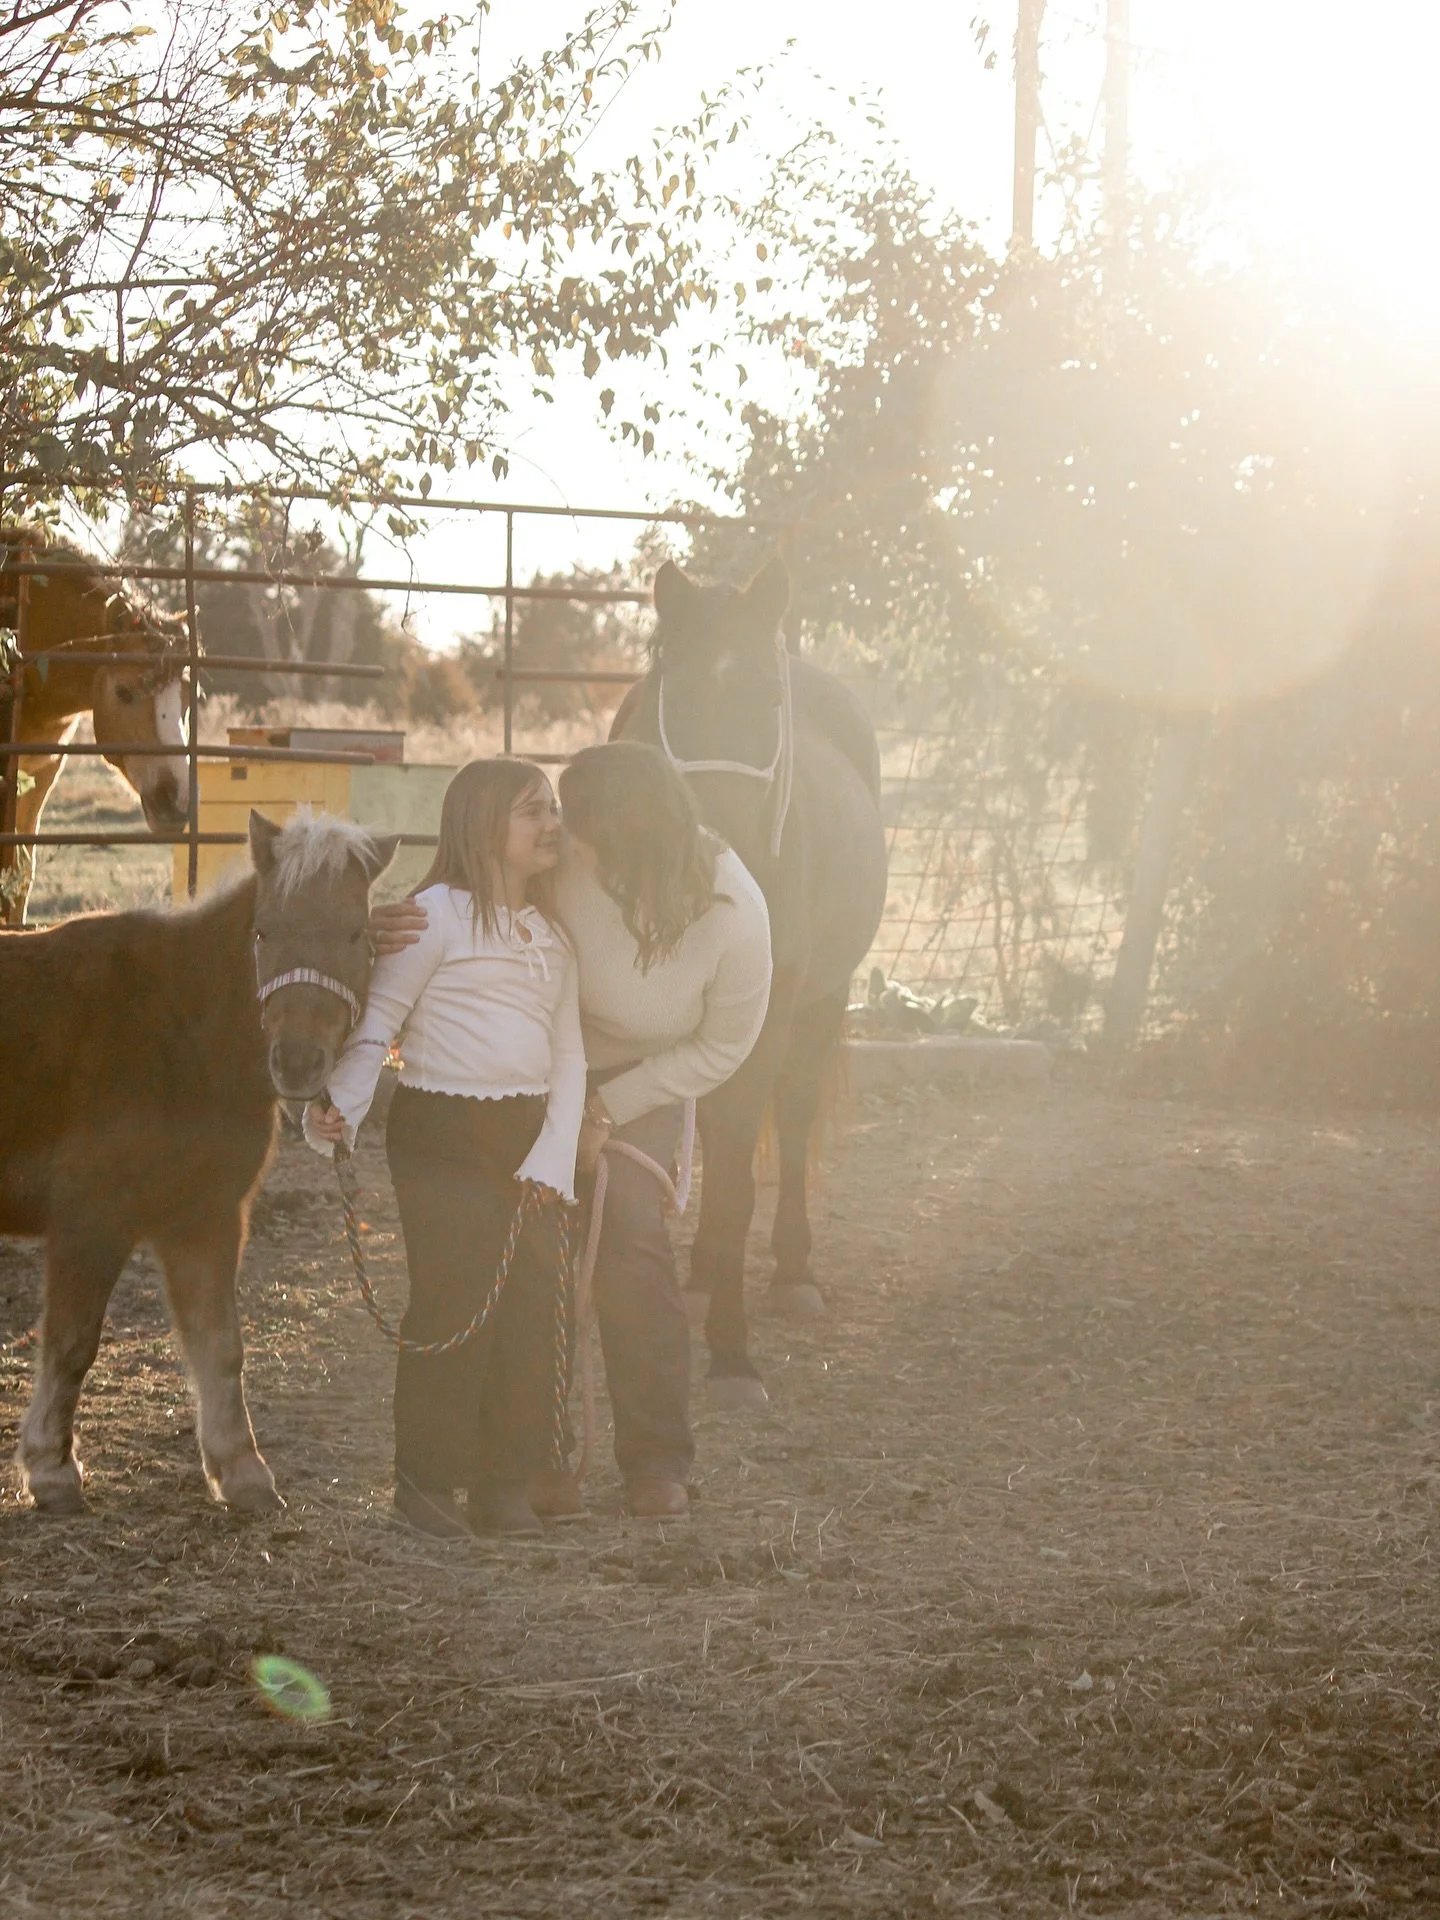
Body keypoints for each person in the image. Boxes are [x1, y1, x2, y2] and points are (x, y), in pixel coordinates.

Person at [372, 741, 772, 1519]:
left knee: (626, 1236)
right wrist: (393, 919)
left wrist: (608, 1109)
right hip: (539, 1058)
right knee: (531, 1243)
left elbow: (724, 1045)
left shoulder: (736, 911)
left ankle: (656, 1460)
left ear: (633, 837)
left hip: (645, 1074)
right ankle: (532, 1459)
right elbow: (477, 887)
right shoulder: (571, 856)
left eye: (583, 831)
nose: (568, 843)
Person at [305, 759, 585, 1540]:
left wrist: (555, 1152)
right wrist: (341, 1107)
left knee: (533, 1311)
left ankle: (506, 1482)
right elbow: (378, 1024)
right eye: (533, 812)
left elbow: (569, 1057)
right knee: (455, 1303)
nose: (552, 823)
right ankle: (426, 1484)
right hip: (443, 1133)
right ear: (482, 826)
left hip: (527, 1136)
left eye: (553, 807)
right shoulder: (435, 916)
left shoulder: (553, 936)